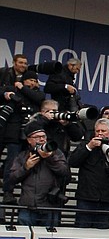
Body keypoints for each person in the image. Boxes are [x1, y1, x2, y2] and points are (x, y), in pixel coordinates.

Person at [68, 118, 109, 229]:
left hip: (106, 200)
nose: (100, 133)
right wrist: (89, 147)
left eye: (103, 131)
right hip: (86, 198)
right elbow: (73, 162)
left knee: (102, 233)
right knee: (81, 232)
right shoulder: (86, 144)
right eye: (98, 131)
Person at [7, 122, 70, 227]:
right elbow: (12, 179)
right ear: (29, 140)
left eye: (43, 136)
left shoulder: (56, 153)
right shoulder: (23, 156)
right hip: (27, 208)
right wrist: (26, 167)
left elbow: (65, 172)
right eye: (37, 137)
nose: (42, 140)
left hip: (48, 207)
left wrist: (49, 158)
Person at [1, 67, 45, 204]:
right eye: (30, 80)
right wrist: (8, 94)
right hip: (13, 134)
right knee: (11, 161)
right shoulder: (14, 89)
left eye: (35, 81)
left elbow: (39, 98)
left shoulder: (36, 94)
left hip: (29, 136)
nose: (33, 83)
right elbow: (2, 92)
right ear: (23, 80)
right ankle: (8, 192)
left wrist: (22, 87)